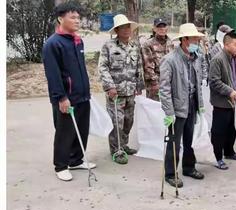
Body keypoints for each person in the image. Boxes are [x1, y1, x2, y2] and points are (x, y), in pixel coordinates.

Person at [42, 2, 94, 182]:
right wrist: (61, 98)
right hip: (66, 98)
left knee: (82, 129)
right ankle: (61, 165)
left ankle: (76, 160)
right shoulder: (53, 44)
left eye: (78, 17)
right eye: (72, 17)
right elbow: (53, 75)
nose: (77, 20)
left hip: (82, 96)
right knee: (65, 132)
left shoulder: (77, 40)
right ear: (60, 18)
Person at [159, 23, 206, 188]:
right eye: (194, 39)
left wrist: (200, 104)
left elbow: (198, 82)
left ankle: (188, 167)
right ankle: (170, 173)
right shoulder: (169, 60)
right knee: (174, 141)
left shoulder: (197, 57)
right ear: (184, 40)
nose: (197, 42)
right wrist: (169, 111)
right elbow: (164, 89)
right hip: (177, 108)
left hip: (191, 105)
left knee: (189, 140)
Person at [98, 14, 143, 164]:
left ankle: (124, 145)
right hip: (115, 92)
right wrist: (109, 86)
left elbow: (138, 67)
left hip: (130, 91)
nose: (126, 30)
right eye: (122, 27)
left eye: (128, 27)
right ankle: (116, 150)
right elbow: (103, 67)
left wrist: (139, 86)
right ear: (116, 30)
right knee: (117, 122)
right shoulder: (108, 46)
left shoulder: (134, 46)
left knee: (128, 121)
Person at [208, 31, 236, 170]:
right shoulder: (218, 59)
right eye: (235, 45)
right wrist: (229, 91)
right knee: (219, 131)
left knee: (232, 129)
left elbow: (235, 78)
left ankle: (229, 151)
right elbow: (214, 81)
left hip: (234, 100)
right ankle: (217, 157)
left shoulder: (234, 58)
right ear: (226, 44)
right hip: (222, 102)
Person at [141, 18, 174, 100]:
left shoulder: (170, 43)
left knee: (168, 110)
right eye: (159, 27)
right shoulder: (148, 44)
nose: (162, 29)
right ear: (154, 29)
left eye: (164, 26)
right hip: (155, 84)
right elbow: (148, 67)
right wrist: (155, 83)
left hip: (169, 82)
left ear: (167, 28)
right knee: (155, 110)